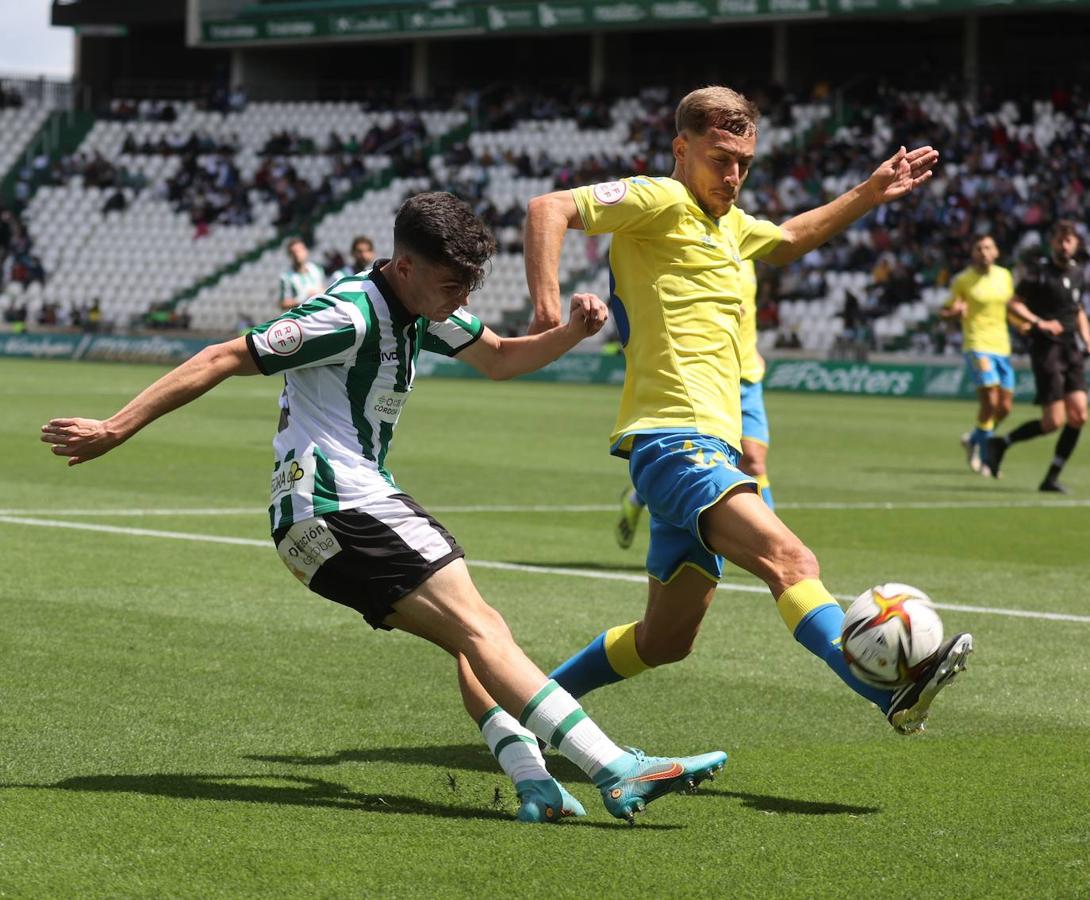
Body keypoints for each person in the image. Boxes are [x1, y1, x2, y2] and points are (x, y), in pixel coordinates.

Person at [40, 192, 725, 826]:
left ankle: (535, 786)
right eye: (452, 284)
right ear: (403, 267)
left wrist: (573, 331)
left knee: (478, 636)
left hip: (311, 524)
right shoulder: (349, 315)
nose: (462, 298)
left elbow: (499, 359)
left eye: (469, 285)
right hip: (340, 503)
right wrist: (114, 428)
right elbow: (223, 354)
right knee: (482, 629)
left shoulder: (425, 308)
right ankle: (615, 769)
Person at [524, 86, 972, 736]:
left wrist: (869, 192)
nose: (733, 175)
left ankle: (528, 707)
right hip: (674, 441)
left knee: (663, 640)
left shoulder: (734, 227)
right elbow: (549, 208)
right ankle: (887, 696)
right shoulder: (660, 198)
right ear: (682, 149)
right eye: (720, 158)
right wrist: (546, 310)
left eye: (744, 162)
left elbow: (789, 237)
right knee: (791, 562)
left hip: (708, 448)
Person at [615, 256, 774, 550]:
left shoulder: (748, 248)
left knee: (752, 460)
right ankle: (766, 543)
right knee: (727, 459)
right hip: (707, 372)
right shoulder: (697, 247)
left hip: (747, 374)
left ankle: (765, 542)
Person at [983, 221, 1090, 492]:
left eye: (1069, 241)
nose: (1064, 245)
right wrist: (1040, 322)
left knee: (1079, 415)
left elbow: (1076, 309)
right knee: (1054, 422)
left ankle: (1051, 477)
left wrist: (1087, 337)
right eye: (1060, 240)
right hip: (1047, 349)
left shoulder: (1078, 273)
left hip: (1071, 349)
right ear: (1052, 243)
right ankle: (1001, 443)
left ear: (1076, 244)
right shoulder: (1039, 273)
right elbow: (1014, 303)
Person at [940, 235, 1016, 473]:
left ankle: (973, 440)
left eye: (988, 247)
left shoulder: (1005, 276)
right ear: (973, 253)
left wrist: (1023, 325)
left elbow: (1009, 307)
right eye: (979, 247)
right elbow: (944, 311)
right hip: (977, 345)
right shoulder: (963, 280)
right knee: (990, 401)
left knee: (1004, 408)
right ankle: (985, 460)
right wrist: (954, 312)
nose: (983, 251)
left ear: (996, 252)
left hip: (1002, 346)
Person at [279, 236, 326, 310]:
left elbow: (323, 288)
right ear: (289, 255)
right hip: (302, 316)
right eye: (293, 252)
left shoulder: (317, 269)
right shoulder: (286, 277)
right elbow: (284, 303)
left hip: (319, 310)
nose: (297, 254)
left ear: (306, 251)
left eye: (299, 250)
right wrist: (303, 299)